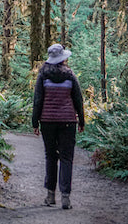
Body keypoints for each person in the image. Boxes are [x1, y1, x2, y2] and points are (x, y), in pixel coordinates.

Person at [32, 43, 85, 210]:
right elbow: (78, 99)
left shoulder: (43, 75)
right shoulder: (70, 76)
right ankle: (66, 198)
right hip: (68, 122)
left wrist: (35, 123)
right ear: (63, 59)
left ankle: (50, 196)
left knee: (50, 156)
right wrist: (82, 120)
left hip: (47, 122)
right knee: (66, 158)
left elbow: (37, 101)